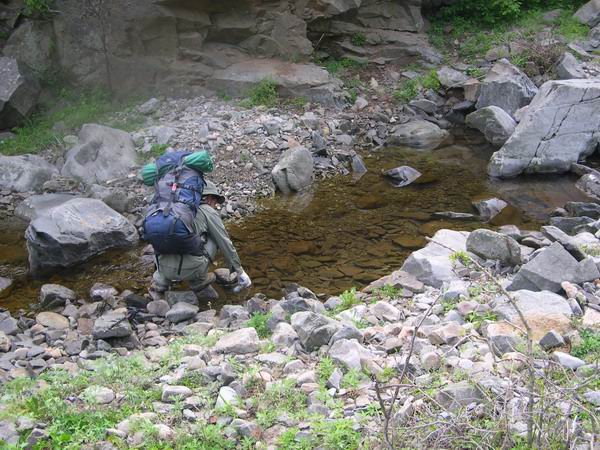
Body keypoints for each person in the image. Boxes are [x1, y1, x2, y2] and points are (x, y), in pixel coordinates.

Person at [150, 180, 251, 299]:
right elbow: (225, 242)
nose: (215, 206)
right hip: (191, 270)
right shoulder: (207, 210)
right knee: (215, 237)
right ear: (209, 198)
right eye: (215, 202)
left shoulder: (169, 206)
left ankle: (161, 282)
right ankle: (198, 281)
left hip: (163, 267)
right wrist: (239, 271)